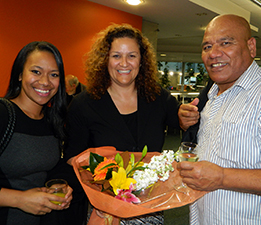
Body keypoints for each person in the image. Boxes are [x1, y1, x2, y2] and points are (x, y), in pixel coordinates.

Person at [178, 14, 261, 224]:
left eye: (226, 43)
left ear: (251, 47)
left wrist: (221, 177)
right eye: (207, 46)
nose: (214, 53)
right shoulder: (212, 94)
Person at [65, 24, 181, 224]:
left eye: (132, 56)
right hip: (105, 210)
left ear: (141, 61)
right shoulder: (83, 104)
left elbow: (183, 123)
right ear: (105, 60)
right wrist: (101, 192)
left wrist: (188, 116)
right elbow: (71, 158)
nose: (124, 63)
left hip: (150, 209)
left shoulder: (157, 98)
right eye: (116, 55)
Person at [0, 41, 73, 225]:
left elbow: (51, 167)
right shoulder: (3, 114)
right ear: (19, 74)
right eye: (36, 72)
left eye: (54, 75)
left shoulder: (52, 120)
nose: (45, 82)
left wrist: (59, 184)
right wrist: (18, 199)